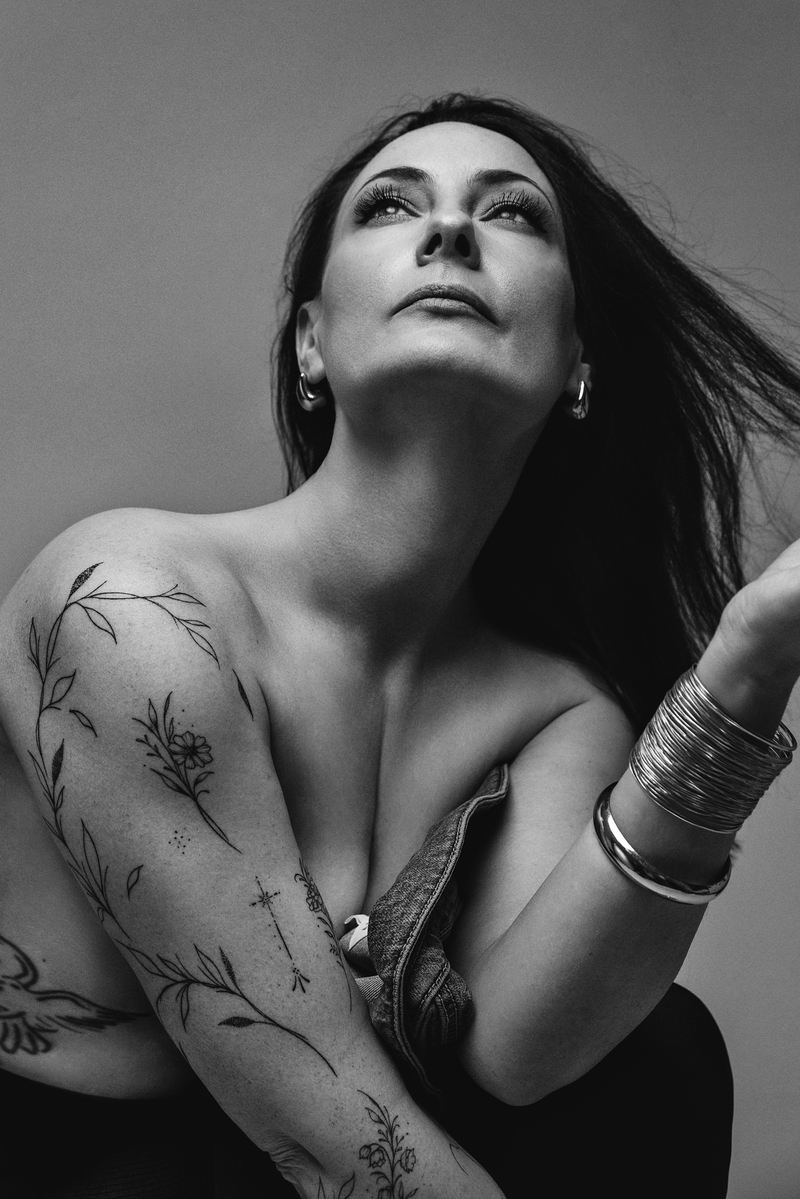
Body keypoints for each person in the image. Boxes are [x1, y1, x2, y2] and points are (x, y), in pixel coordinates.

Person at [1, 92, 800, 1198]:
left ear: (577, 357)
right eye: (389, 206)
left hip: (310, 1162)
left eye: (513, 213)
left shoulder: (555, 707)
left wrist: (750, 661)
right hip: (71, 1160)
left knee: (659, 1060)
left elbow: (526, 1056)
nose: (451, 231)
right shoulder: (130, 602)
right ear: (311, 342)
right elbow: (334, 1142)